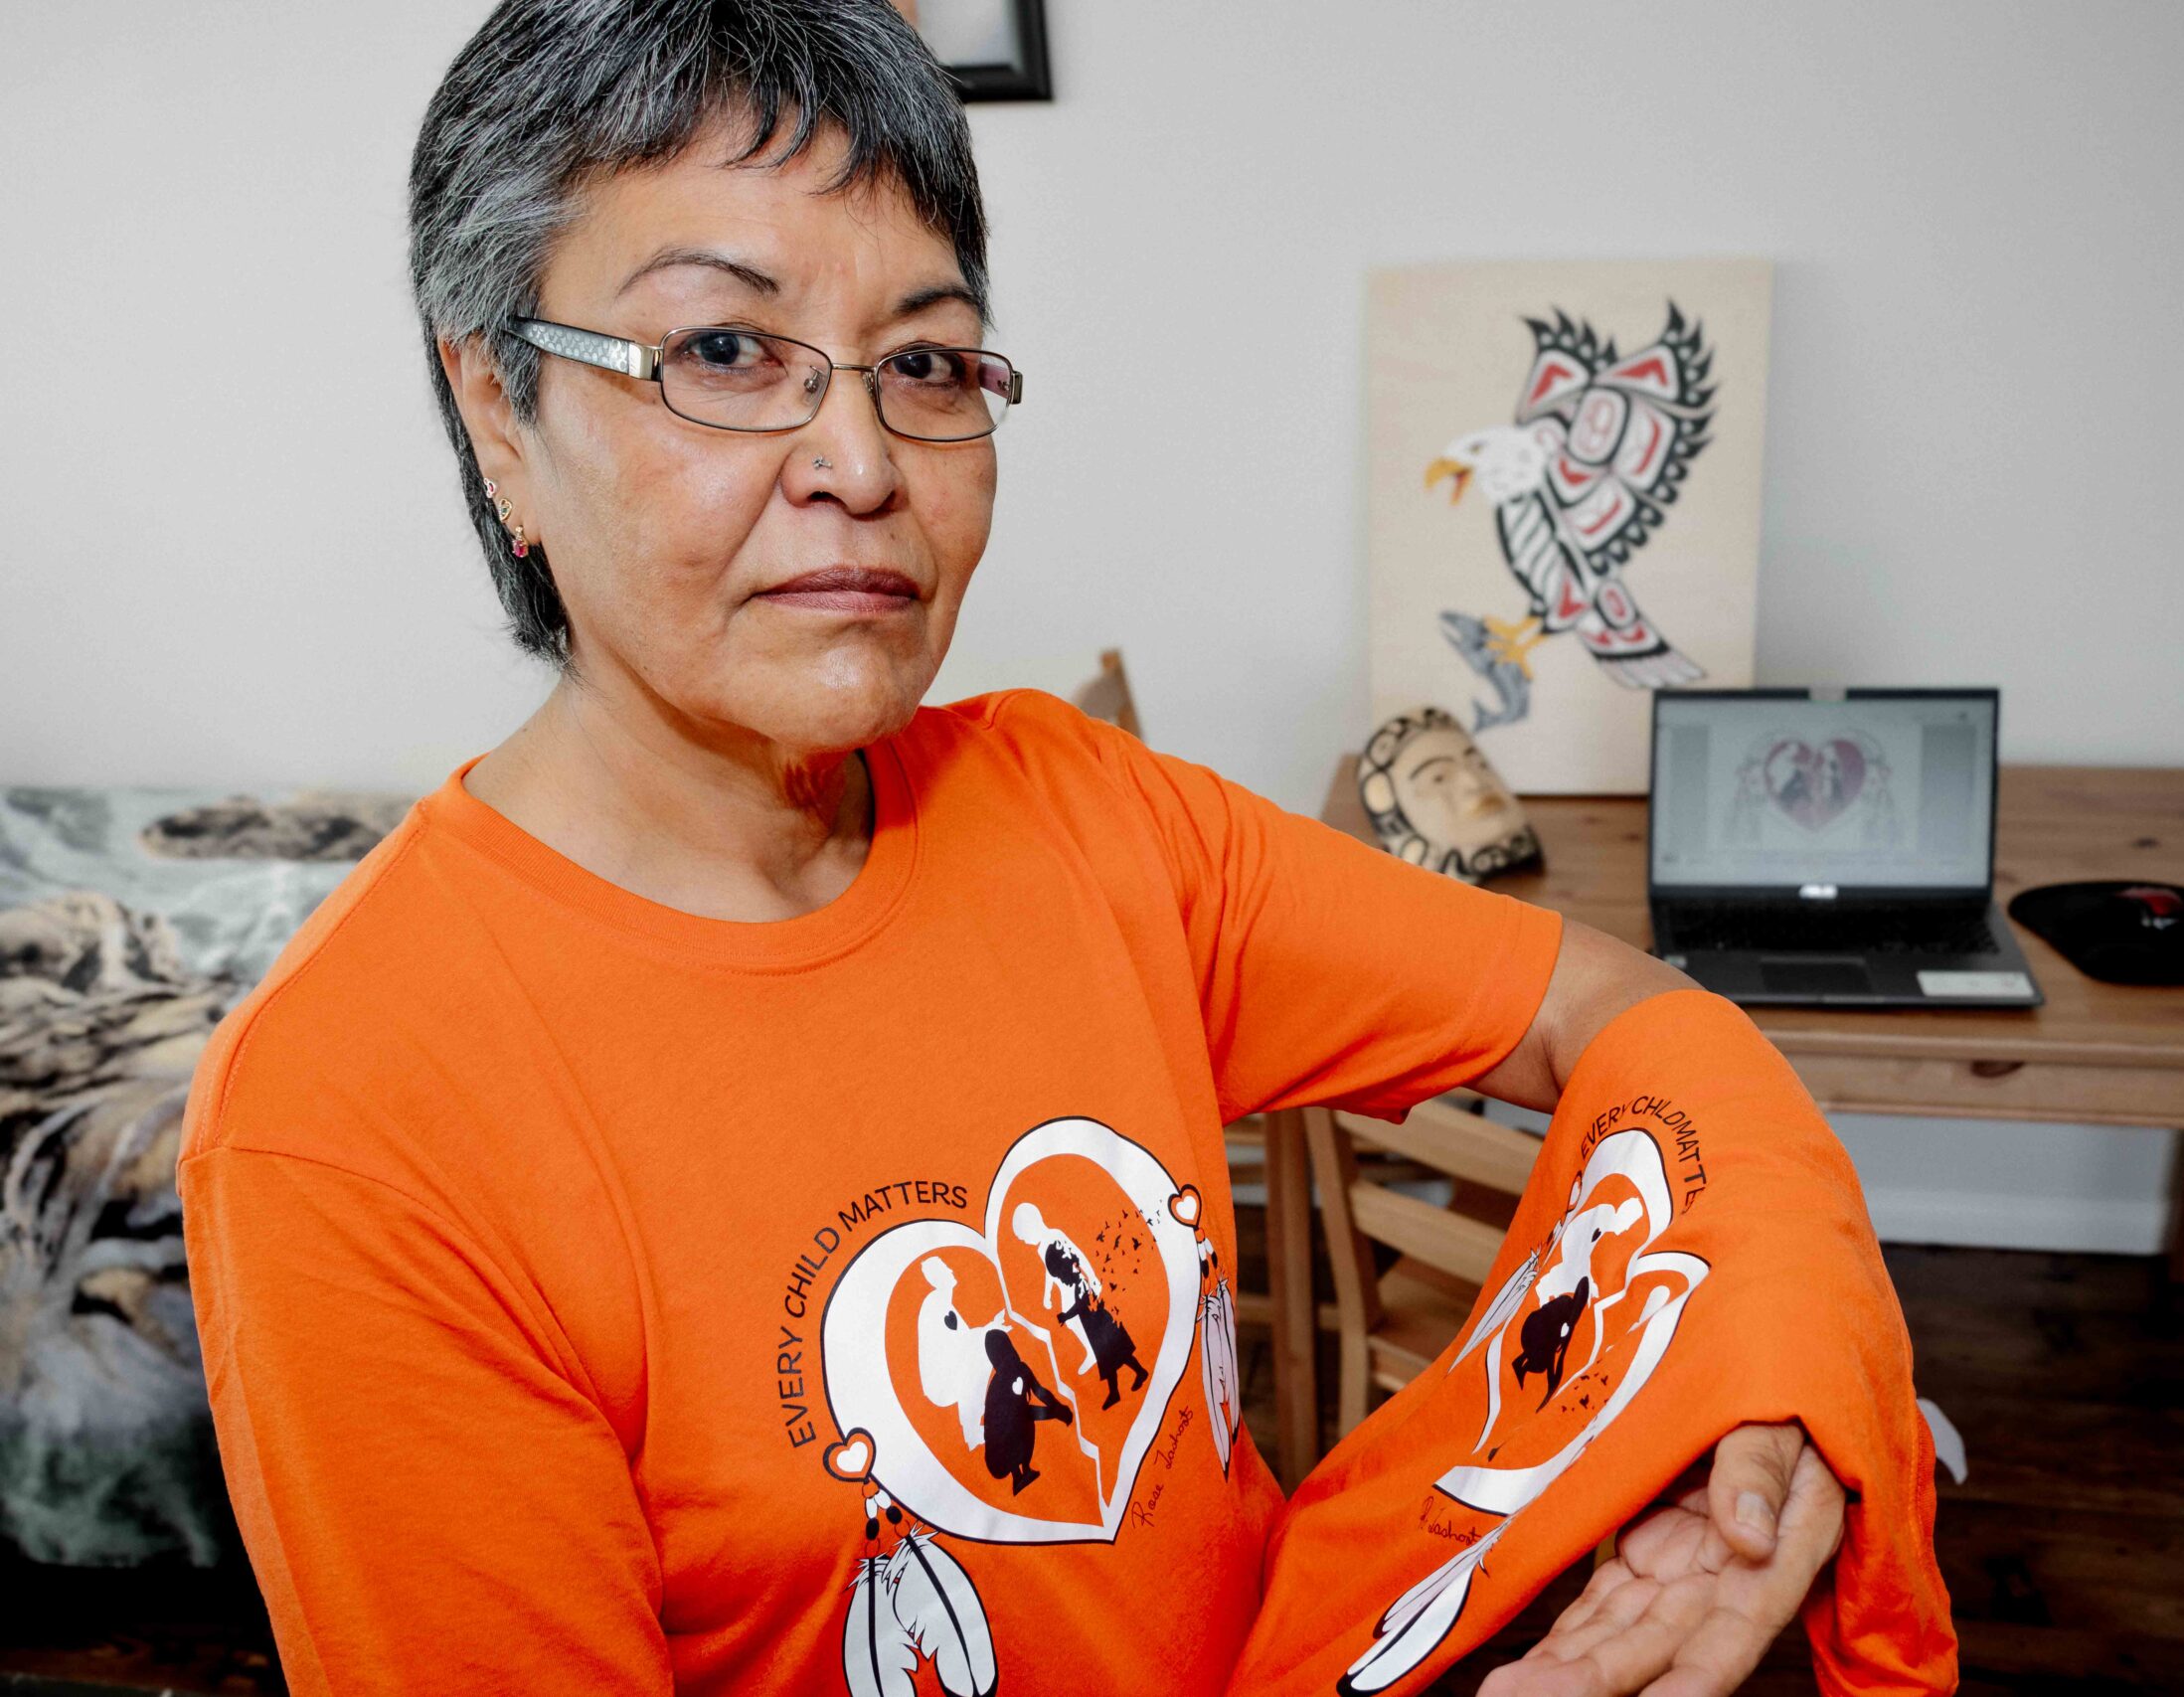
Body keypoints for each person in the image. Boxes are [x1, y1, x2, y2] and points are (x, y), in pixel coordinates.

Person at [175, 4, 1952, 1694]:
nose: (863, 460)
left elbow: (1609, 1009)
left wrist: (1758, 1351)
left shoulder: (1084, 807)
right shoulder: (354, 1122)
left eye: (928, 361)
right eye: (725, 350)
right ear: (500, 411)